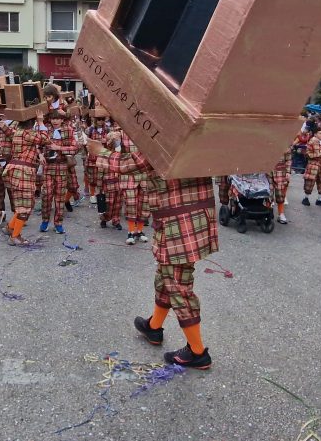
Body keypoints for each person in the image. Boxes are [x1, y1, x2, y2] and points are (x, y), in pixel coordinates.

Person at [99, 143, 216, 369]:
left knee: (179, 287)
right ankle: (153, 327)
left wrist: (98, 151)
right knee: (165, 276)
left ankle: (198, 352)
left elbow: (129, 164)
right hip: (196, 215)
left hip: (178, 221)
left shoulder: (168, 137)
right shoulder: (205, 135)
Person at [0, 112, 50, 246]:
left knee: (23, 204)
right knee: (25, 206)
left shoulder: (19, 131)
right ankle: (15, 236)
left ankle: (10, 227)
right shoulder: (27, 133)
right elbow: (46, 139)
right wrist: (41, 122)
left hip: (17, 171)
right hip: (23, 172)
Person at [39, 110, 78, 234]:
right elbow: (37, 144)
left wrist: (59, 148)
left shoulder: (69, 130)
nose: (55, 121)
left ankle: (58, 223)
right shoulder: (46, 130)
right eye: (53, 118)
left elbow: (75, 148)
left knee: (60, 197)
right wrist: (40, 155)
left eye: (57, 118)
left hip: (62, 166)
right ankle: (45, 220)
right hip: (48, 167)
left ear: (62, 119)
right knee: (46, 195)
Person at [121, 131, 151, 245]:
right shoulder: (121, 132)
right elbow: (114, 152)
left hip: (145, 174)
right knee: (131, 204)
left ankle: (139, 231)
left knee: (145, 204)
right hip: (129, 174)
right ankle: (131, 232)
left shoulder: (148, 131)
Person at [301, 128, 321, 206]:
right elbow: (307, 153)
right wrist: (317, 155)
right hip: (313, 164)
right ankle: (306, 198)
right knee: (309, 181)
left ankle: (320, 199)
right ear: (315, 134)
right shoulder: (312, 141)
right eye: (320, 133)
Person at [271, 140, 293, 224]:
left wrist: (288, 171)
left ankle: (281, 214)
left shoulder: (285, 143)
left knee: (280, 194)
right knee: (267, 193)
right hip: (266, 171)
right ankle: (267, 213)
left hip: (280, 171)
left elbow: (288, 160)